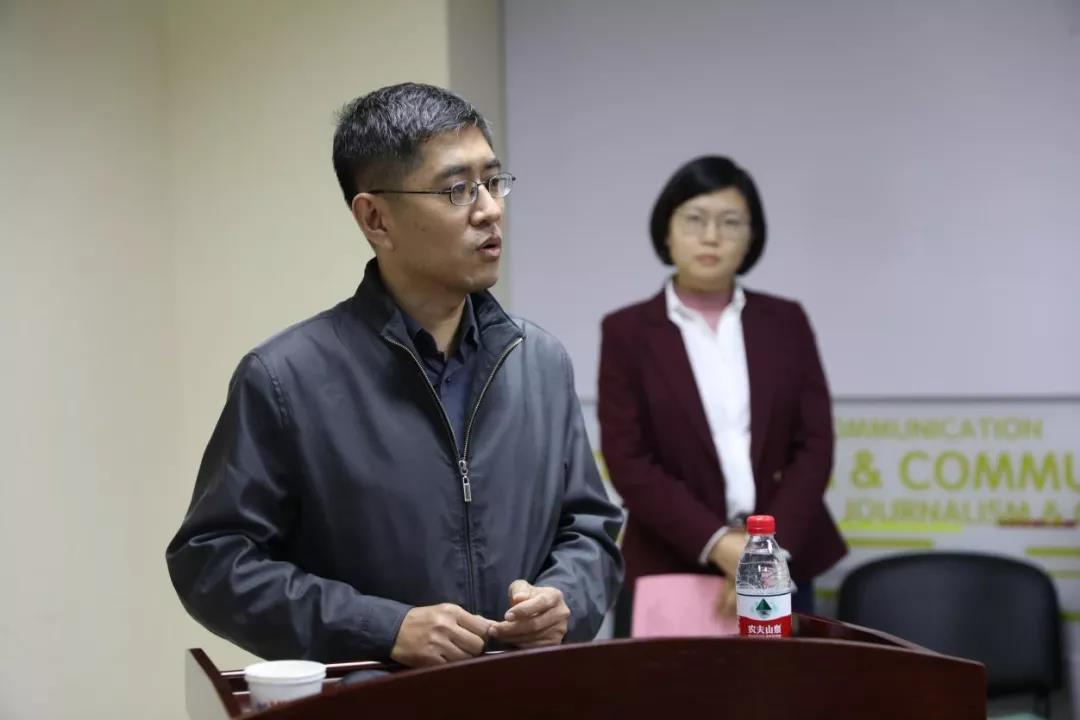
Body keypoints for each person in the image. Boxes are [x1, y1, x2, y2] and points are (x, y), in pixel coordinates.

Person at [167, 82, 623, 667]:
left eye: (493, 181)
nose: (489, 209)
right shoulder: (284, 378)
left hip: (524, 693)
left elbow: (590, 530)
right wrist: (382, 627)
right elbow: (212, 562)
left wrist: (565, 601)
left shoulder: (538, 361)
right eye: (457, 189)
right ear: (376, 218)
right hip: (375, 700)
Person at [597, 156, 845, 635]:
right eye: (695, 219)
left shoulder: (786, 322)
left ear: (751, 237)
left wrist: (764, 555)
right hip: (671, 560)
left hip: (784, 556)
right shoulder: (627, 332)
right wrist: (719, 544)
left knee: (783, 682)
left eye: (730, 223)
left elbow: (815, 445)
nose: (711, 237)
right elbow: (628, 459)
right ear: (666, 231)